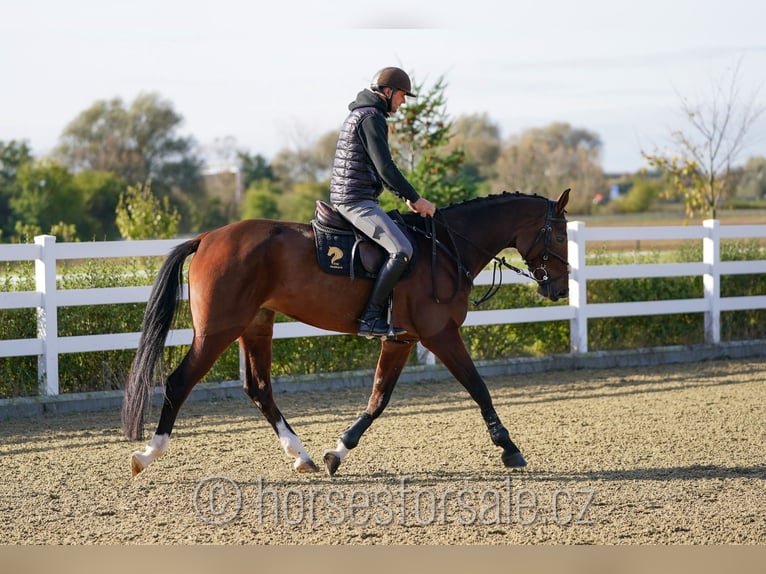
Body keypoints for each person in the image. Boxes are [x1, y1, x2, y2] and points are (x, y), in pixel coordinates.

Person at [330, 66, 436, 339]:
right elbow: (386, 168)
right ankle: (371, 318)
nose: (402, 102)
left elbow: (380, 170)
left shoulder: (363, 113)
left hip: (355, 196)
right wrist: (416, 198)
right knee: (402, 249)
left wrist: (406, 198)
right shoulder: (372, 117)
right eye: (402, 96)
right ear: (387, 92)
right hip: (355, 201)